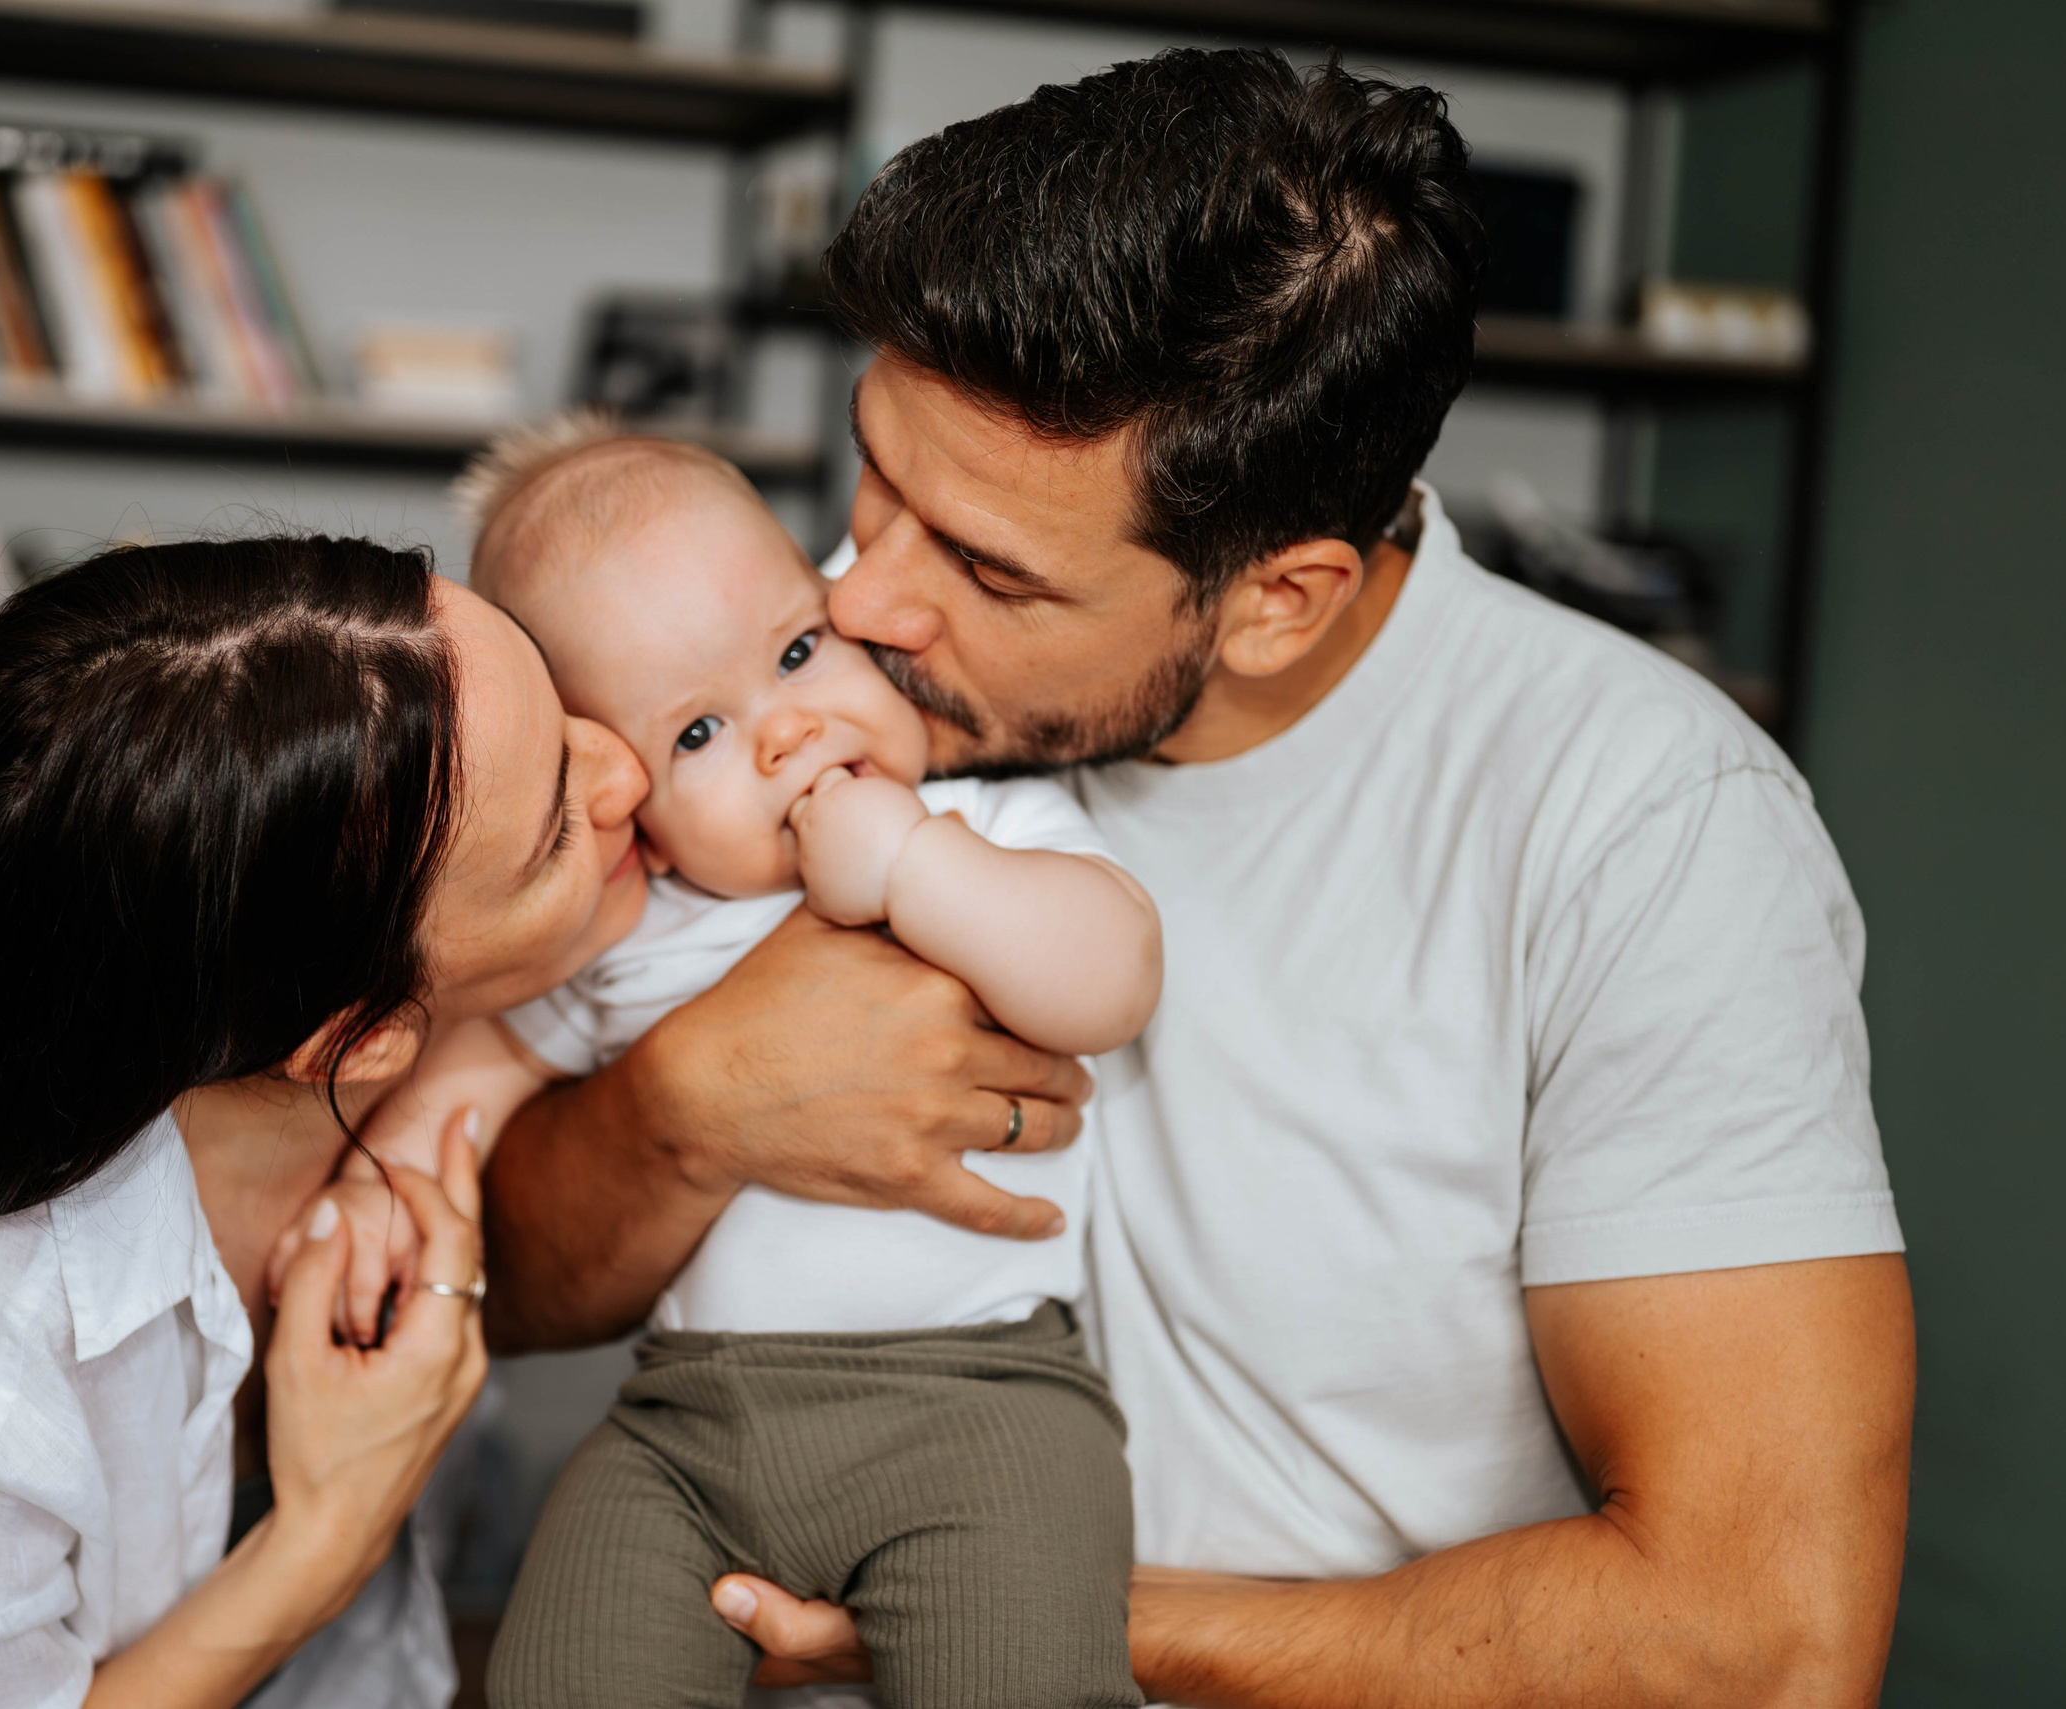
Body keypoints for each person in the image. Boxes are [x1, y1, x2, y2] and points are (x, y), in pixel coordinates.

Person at [481, 48, 1916, 1709]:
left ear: (1274, 602)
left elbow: (1761, 1644)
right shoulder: (808, 679)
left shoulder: (1641, 825)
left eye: (988, 567)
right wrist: (686, 1106)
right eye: (876, 472)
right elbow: (493, 1285)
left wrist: (1021, 1605)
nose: (859, 598)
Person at [0, 536, 652, 1708]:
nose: (629, 770)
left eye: (566, 704)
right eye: (555, 828)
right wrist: (326, 1536)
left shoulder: (380, 1054)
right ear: (357, 1035)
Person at [359, 418, 1159, 1707]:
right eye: (697, 733)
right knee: (559, 1673)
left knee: (1018, 1678)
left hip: (984, 1401)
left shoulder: (986, 823)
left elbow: (1110, 977)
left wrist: (908, 861)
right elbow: (473, 1073)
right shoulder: (638, 924)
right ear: (625, 797)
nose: (787, 731)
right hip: (688, 1427)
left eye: (796, 650)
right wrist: (377, 1177)